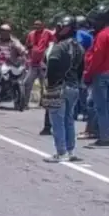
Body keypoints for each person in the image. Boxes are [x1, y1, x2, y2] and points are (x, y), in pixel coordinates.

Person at [42, 15, 85, 162]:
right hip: (73, 87)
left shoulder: (59, 46)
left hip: (58, 86)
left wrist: (50, 86)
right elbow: (81, 69)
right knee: (69, 119)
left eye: (60, 27)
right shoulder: (79, 47)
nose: (58, 29)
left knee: (57, 120)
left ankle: (61, 152)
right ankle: (70, 151)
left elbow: (52, 64)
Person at [83, 3, 109, 148]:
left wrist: (88, 73)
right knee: (107, 105)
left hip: (101, 72)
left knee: (101, 107)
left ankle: (104, 137)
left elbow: (97, 56)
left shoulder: (102, 35)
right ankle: (108, 134)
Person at [24, 20, 53, 110]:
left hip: (43, 63)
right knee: (27, 83)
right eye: (35, 25)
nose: (37, 26)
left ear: (43, 25)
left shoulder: (47, 32)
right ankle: (25, 103)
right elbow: (27, 46)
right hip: (33, 63)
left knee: (45, 84)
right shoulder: (31, 34)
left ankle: (43, 103)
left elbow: (55, 41)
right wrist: (27, 58)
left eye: (39, 25)